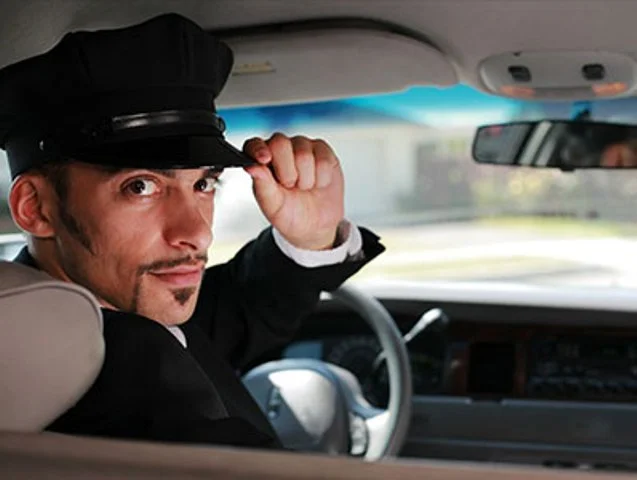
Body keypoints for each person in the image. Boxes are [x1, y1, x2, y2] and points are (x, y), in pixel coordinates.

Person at [0, 14, 384, 449]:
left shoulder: (101, 313)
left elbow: (234, 312)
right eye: (141, 186)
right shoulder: (128, 401)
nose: (197, 234)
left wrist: (311, 237)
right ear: (35, 207)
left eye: (203, 184)